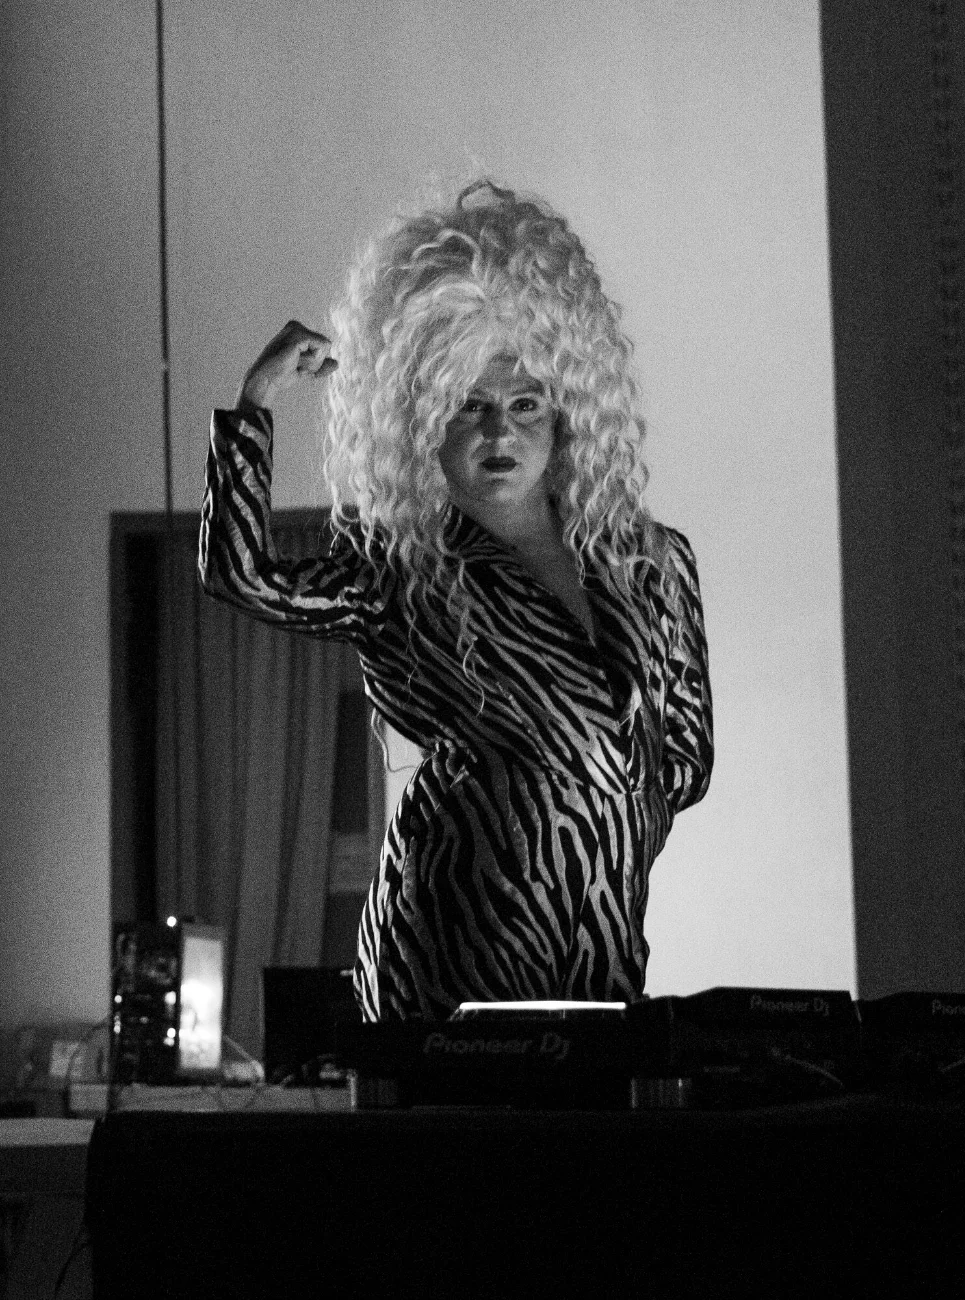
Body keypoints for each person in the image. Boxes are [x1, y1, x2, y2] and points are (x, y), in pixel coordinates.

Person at [199, 180, 713, 1020]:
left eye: (524, 405)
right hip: (449, 940)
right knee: (459, 1105)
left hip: (602, 939)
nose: (500, 432)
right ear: (423, 423)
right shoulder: (402, 563)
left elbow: (685, 764)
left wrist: (586, 805)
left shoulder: (652, 562)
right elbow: (241, 574)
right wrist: (254, 404)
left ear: (567, 415)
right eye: (469, 407)